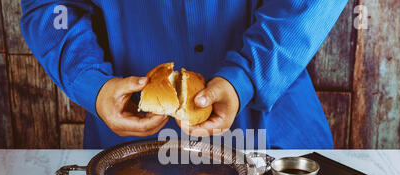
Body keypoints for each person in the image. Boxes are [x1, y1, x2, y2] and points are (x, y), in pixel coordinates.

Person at [21, 0, 347, 149]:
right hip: (130, 150)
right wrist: (91, 81)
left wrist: (246, 76)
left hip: (270, 140)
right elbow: (49, 6)